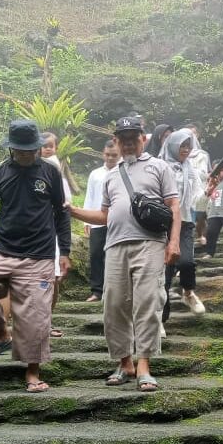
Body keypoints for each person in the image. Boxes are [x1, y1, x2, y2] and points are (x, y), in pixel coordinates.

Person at [69, 117, 180, 393]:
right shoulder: (111, 175)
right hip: (115, 245)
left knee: (147, 303)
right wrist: (71, 210)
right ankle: (124, 362)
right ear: (116, 142)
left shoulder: (159, 167)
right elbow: (104, 215)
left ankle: (144, 366)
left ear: (143, 138)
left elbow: (174, 206)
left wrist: (173, 242)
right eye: (123, 137)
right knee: (114, 304)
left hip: (150, 243)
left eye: (133, 136)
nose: (128, 141)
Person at [0, 120, 71, 393]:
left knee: (35, 317)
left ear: (36, 148)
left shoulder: (50, 173)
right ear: (11, 149)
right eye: (19, 150)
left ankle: (32, 373)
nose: (25, 154)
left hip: (40, 254)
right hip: (2, 248)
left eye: (29, 150)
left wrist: (64, 251)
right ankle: (1, 332)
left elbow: (61, 212)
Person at [158, 129, 206, 320]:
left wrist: (208, 191)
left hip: (185, 221)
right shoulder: (160, 167)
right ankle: (160, 319)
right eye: (182, 146)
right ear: (172, 146)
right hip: (163, 223)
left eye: (188, 146)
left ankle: (188, 293)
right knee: (165, 273)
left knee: (186, 261)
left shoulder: (190, 170)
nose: (185, 150)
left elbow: (196, 200)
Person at [40, 131, 73, 337]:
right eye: (43, 146)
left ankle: (46, 322)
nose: (47, 149)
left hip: (51, 234)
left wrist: (64, 249)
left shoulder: (55, 171)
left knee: (51, 279)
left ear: (56, 148)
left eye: (50, 146)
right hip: (35, 235)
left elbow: (65, 205)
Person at [83, 140, 119, 302]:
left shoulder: (123, 172)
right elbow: (89, 197)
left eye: (114, 155)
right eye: (108, 155)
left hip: (118, 222)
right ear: (103, 154)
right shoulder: (95, 174)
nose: (111, 158)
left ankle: (114, 290)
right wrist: (86, 221)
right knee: (96, 254)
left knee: (116, 256)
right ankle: (97, 291)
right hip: (97, 220)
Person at [184, 124, 211, 246]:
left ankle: (202, 235)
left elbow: (206, 173)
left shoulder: (202, 155)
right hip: (185, 189)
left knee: (201, 215)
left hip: (200, 187)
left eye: (193, 134)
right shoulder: (179, 154)